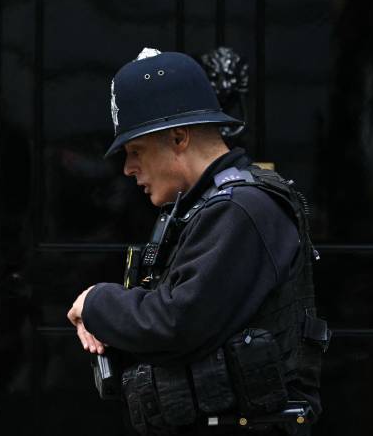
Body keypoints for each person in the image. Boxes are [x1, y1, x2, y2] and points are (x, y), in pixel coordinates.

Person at [66, 49, 328, 435]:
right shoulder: (206, 207)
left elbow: (175, 323)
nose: (127, 168)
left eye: (135, 151)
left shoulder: (242, 210)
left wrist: (96, 302)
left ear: (178, 137)